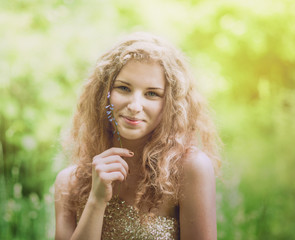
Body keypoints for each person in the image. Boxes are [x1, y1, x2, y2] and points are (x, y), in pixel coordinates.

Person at [54, 32, 222, 240]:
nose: (134, 106)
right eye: (123, 88)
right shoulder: (69, 183)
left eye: (152, 94)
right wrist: (96, 201)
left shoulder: (189, 169)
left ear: (170, 103)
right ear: (103, 94)